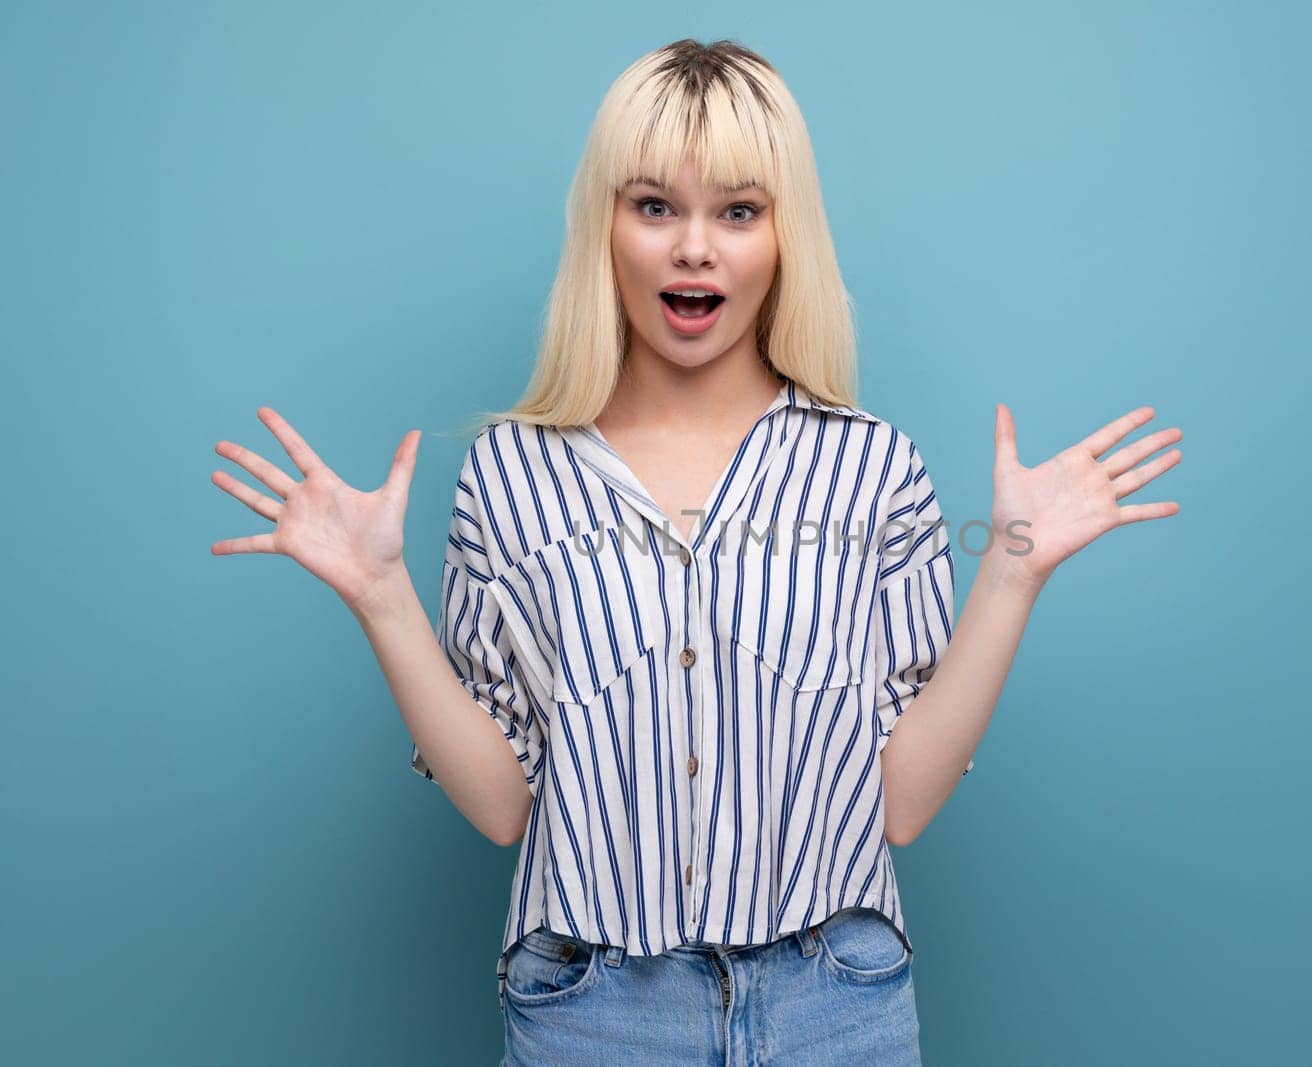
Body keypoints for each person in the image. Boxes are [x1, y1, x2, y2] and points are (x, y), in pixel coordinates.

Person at [209, 37, 1182, 1066]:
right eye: (655, 206)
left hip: (837, 1008)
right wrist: (381, 596)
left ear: (782, 236)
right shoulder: (508, 476)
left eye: (738, 211)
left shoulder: (873, 468)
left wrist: (1013, 571)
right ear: (607, 228)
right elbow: (502, 807)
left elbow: (901, 801)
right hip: (592, 1013)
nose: (695, 249)